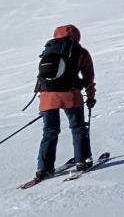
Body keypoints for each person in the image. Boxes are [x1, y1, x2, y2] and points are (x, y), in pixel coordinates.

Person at [33, 24, 96, 181]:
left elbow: (42, 77)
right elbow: (88, 76)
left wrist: (42, 98)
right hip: (70, 95)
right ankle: (82, 160)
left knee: (49, 132)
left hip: (47, 97)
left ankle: (43, 168)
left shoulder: (48, 50)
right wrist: (90, 96)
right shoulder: (80, 51)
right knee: (78, 127)